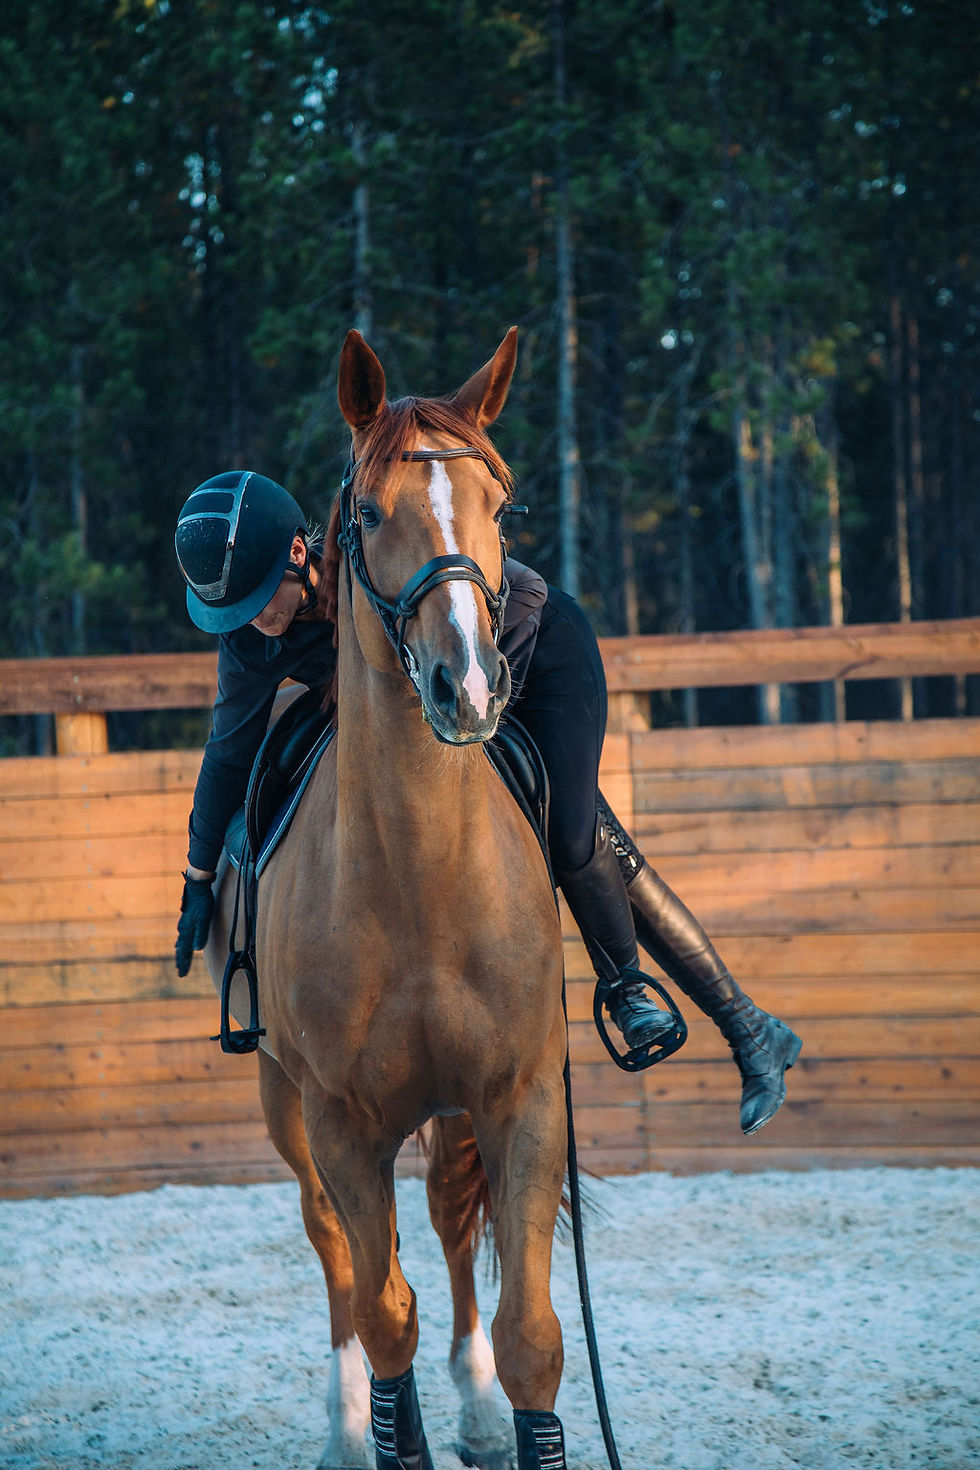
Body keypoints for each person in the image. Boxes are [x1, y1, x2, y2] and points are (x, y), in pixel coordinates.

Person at [175, 469, 801, 1134]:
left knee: (573, 831)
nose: (256, 622)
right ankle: (747, 1025)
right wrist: (198, 878)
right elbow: (227, 753)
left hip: (532, 650)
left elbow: (439, 638)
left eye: (259, 600)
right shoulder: (248, 637)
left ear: (299, 554)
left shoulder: (370, 567)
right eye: (236, 613)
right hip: (453, 690)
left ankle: (682, 1007)